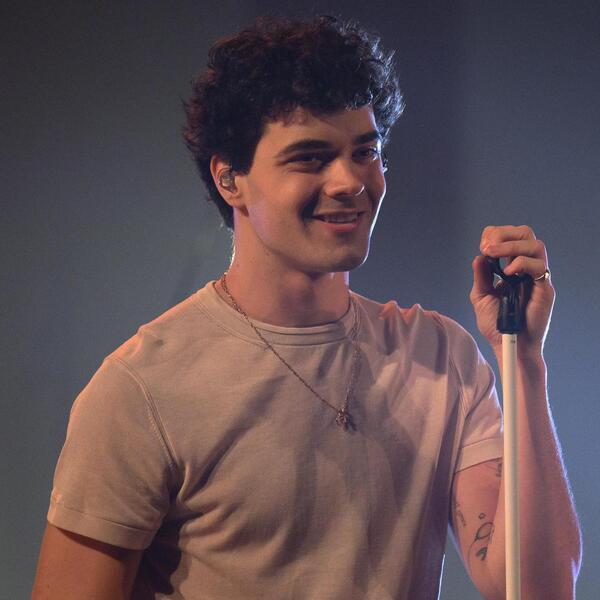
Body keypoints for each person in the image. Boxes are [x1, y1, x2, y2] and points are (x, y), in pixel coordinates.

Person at [32, 15, 581, 600]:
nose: (349, 181)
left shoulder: (440, 357)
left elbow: (538, 590)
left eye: (365, 151)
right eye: (310, 158)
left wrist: (524, 361)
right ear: (230, 179)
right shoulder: (143, 388)